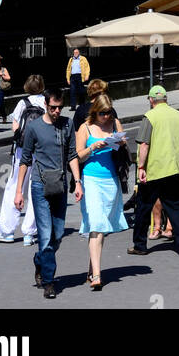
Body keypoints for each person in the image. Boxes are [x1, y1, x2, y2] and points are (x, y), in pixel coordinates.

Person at [16, 88, 83, 299]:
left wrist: (78, 182)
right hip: (39, 185)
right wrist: (19, 191)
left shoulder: (67, 124)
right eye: (53, 107)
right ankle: (49, 282)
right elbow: (25, 160)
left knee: (58, 234)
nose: (56, 111)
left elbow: (72, 154)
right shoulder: (34, 127)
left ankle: (39, 261)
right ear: (45, 104)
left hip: (61, 185)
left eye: (59, 107)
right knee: (45, 235)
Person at [127, 86, 179, 258]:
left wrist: (141, 167)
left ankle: (140, 245)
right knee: (176, 205)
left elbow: (144, 144)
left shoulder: (150, 116)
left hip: (154, 169)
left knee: (143, 207)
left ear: (151, 100)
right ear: (166, 99)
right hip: (173, 168)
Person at [76, 93, 129, 290]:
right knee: (96, 224)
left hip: (111, 180)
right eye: (102, 113)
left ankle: (92, 268)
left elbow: (124, 144)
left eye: (108, 113)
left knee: (102, 228)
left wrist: (120, 142)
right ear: (95, 111)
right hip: (91, 180)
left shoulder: (115, 123)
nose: (106, 117)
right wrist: (94, 147)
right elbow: (78, 156)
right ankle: (97, 275)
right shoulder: (85, 127)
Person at [0, 74, 46, 244]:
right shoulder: (46, 103)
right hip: (40, 151)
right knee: (36, 189)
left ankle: (7, 231)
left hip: (22, 151)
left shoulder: (22, 103)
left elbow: (15, 127)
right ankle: (29, 232)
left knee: (14, 187)